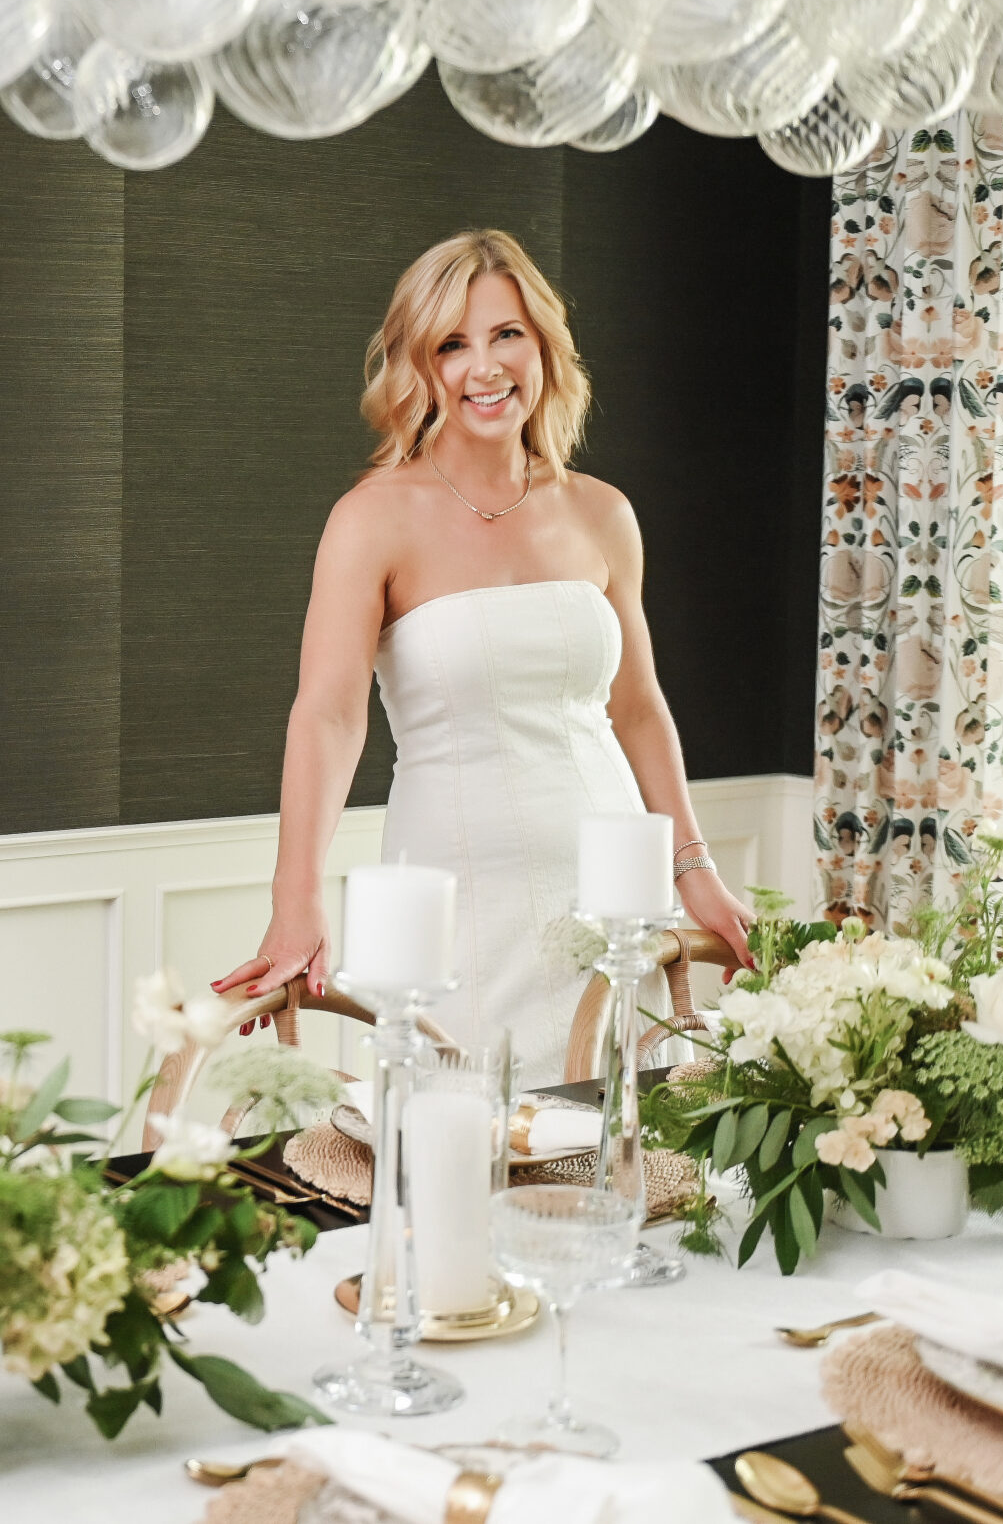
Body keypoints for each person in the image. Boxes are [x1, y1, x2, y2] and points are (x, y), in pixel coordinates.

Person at [209, 229, 755, 1085]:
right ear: (418, 366)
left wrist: (695, 868)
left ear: (543, 345)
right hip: (458, 898)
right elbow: (328, 714)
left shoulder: (603, 512)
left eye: (506, 334)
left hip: (614, 897)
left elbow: (638, 707)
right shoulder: (372, 518)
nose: (484, 366)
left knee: (628, 1142)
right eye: (452, 345)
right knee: (463, 1138)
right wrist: (295, 898)